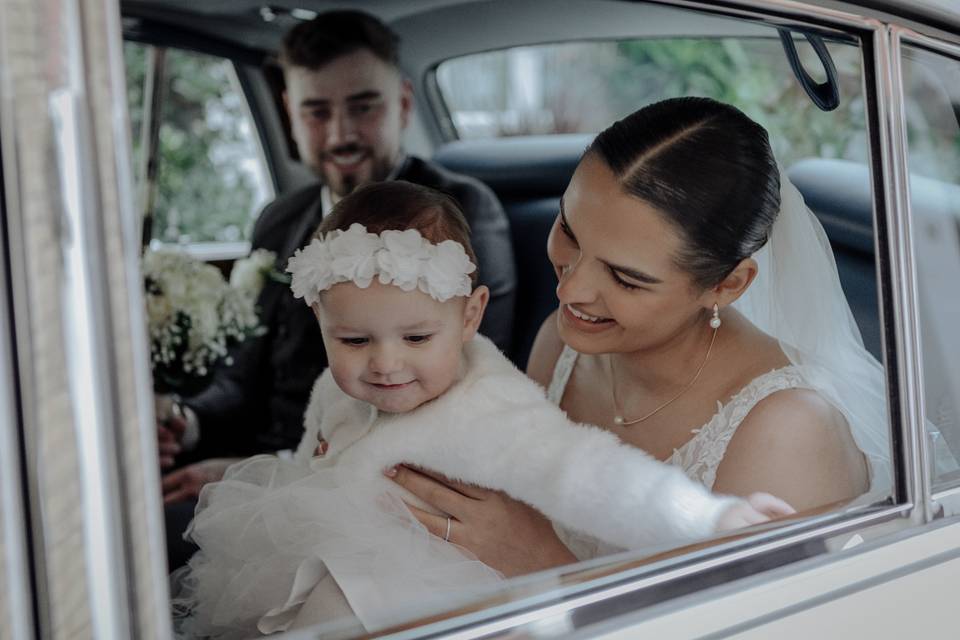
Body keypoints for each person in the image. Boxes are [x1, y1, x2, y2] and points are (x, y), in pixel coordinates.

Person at [171, 181, 792, 639]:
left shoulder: (490, 407)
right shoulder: (340, 387)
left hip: (435, 598)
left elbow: (592, 473)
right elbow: (320, 447)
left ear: (470, 315)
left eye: (416, 339)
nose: (384, 365)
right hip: (324, 562)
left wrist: (710, 520)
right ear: (323, 323)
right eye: (354, 341)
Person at [387, 97, 893, 570]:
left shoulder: (788, 432)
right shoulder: (561, 343)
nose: (572, 291)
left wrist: (540, 561)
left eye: (625, 278)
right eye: (569, 231)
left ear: (725, 284)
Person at [156, 10, 516, 542]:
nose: (342, 133)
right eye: (317, 112)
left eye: (362, 107)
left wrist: (260, 471)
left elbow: (449, 392)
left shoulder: (461, 211)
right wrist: (188, 423)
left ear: (403, 103)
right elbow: (246, 376)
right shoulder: (279, 218)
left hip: (366, 483)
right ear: (290, 115)